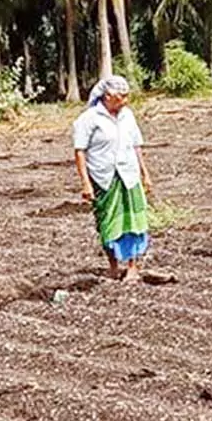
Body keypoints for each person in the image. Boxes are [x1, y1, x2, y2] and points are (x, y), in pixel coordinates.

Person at [72, 75, 153, 281]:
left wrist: (145, 174)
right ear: (108, 96)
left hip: (129, 176)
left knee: (134, 222)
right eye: (121, 96)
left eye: (127, 96)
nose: (126, 101)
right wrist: (86, 183)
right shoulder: (89, 119)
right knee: (108, 222)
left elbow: (136, 146)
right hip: (104, 177)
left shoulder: (128, 116)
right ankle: (113, 266)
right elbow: (80, 151)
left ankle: (133, 267)